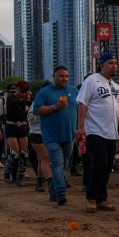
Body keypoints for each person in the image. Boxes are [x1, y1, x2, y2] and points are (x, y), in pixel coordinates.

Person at [76, 53, 119, 213]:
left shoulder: (116, 87)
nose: (114, 66)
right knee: (99, 164)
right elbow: (82, 104)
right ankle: (91, 199)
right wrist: (80, 127)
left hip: (112, 133)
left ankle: (101, 199)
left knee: (106, 167)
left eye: (115, 63)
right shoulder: (91, 80)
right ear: (102, 64)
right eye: (110, 63)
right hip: (95, 131)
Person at [34, 66, 79, 205]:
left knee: (63, 165)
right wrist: (54, 107)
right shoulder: (44, 92)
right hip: (51, 136)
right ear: (53, 76)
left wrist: (80, 129)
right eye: (61, 76)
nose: (64, 79)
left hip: (70, 136)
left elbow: (82, 108)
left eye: (66, 76)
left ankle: (53, 193)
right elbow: (37, 110)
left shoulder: (73, 91)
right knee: (58, 164)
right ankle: (60, 193)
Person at [3, 81, 32, 187]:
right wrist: (28, 102)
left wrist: (28, 107)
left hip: (21, 126)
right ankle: (7, 173)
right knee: (15, 153)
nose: (24, 94)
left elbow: (23, 114)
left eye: (25, 92)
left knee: (24, 153)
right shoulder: (11, 98)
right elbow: (16, 103)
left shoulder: (23, 101)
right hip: (11, 127)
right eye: (22, 91)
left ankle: (20, 177)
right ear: (18, 89)